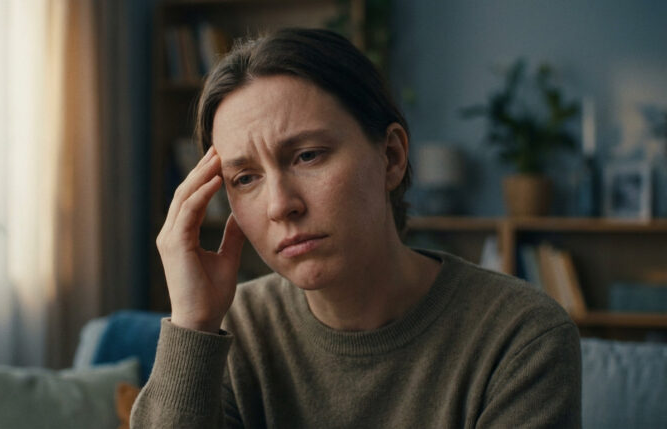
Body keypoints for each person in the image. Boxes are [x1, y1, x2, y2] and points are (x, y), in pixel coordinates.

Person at [131, 28, 581, 428]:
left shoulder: (520, 336)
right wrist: (193, 327)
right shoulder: (234, 331)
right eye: (245, 178)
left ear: (391, 157)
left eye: (307, 155)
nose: (280, 205)